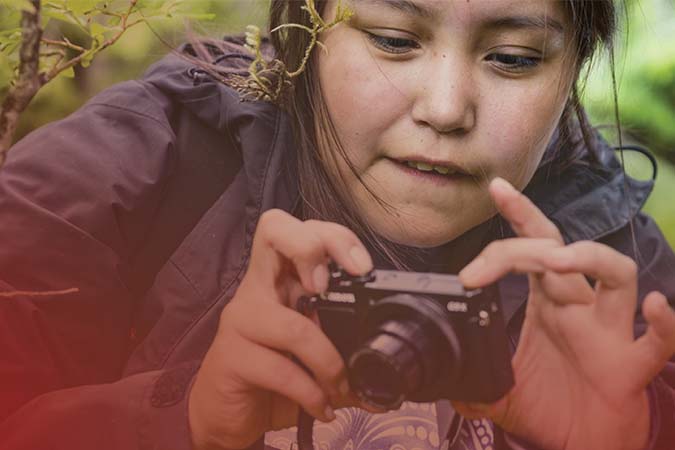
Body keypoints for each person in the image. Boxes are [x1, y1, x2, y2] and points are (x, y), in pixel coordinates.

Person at [0, 0, 674, 449]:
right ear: (304, 32)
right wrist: (184, 416)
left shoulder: (619, 284)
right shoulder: (122, 174)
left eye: (515, 57)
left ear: (573, 71)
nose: (444, 109)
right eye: (392, 40)